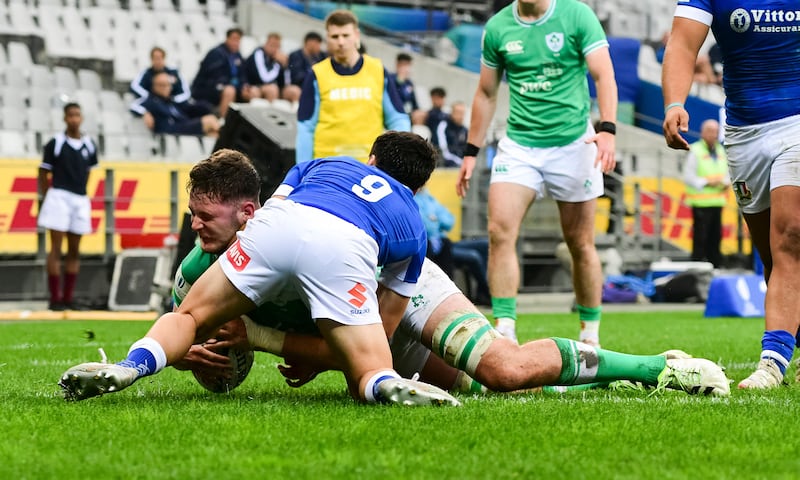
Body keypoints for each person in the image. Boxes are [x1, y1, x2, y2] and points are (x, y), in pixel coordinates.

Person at [160, 149, 729, 400]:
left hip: (398, 291)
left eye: (205, 216)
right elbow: (210, 360)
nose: (195, 227)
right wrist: (198, 356)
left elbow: (372, 344)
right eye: (193, 215)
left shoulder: (292, 232)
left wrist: (277, 341)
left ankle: (659, 367)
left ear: (252, 214)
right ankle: (610, 375)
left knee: (503, 368)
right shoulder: (198, 273)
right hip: (360, 313)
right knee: (486, 390)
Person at [58, 131, 463, 407]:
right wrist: (354, 358)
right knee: (371, 371)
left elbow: (273, 212)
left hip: (282, 221)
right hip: (347, 245)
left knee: (188, 316)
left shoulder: (325, 164)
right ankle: (385, 385)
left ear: (369, 160)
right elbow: (387, 330)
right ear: (419, 187)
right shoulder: (412, 219)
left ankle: (131, 366)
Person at [456, 0, 618, 345]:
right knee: (499, 232)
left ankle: (590, 335)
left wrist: (608, 129)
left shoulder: (577, 15)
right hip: (519, 147)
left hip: (574, 144)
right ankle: (505, 330)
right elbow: (485, 93)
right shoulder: (498, 27)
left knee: (579, 243)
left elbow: (604, 74)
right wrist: (471, 152)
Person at [661, 0, 800, 389]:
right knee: (773, 256)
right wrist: (674, 102)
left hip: (797, 122)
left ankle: (772, 363)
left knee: (791, 236)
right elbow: (683, 45)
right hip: (743, 134)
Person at [295, 10, 410, 164]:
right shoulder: (316, 74)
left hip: (369, 167)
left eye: (345, 35)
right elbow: (305, 129)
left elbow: (398, 120)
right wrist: (303, 170)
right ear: (327, 38)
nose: (341, 42)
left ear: (356, 35)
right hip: (327, 168)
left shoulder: (377, 70)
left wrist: (400, 161)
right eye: (335, 36)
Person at [37, 103, 99, 311]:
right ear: (65, 118)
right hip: (59, 196)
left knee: (74, 250)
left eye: (77, 115)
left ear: (81, 118)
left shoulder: (89, 144)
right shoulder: (56, 143)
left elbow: (90, 169)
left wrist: (81, 189)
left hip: (79, 197)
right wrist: (49, 195)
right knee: (55, 248)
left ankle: (68, 297)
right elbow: (43, 172)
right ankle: (55, 298)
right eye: (70, 115)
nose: (74, 119)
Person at [683, 119, 728, 268]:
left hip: (718, 202)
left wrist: (725, 183)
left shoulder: (721, 150)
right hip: (700, 203)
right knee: (700, 239)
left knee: (716, 239)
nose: (713, 135)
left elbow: (727, 173)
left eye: (716, 131)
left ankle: (716, 268)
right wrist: (708, 182)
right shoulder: (695, 150)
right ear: (702, 132)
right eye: (710, 131)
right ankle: (697, 269)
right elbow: (688, 176)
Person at [190, 27, 253, 119]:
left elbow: (242, 75)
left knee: (251, 91)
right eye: (234, 39)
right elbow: (216, 78)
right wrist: (236, 86)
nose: (236, 43)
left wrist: (244, 85)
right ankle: (224, 122)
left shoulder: (237, 55)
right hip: (207, 89)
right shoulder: (216, 53)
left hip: (229, 86)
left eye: (238, 40)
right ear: (227, 39)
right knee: (229, 91)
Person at [140, 72, 220, 137]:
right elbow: (135, 106)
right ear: (154, 87)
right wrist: (144, 112)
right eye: (162, 85)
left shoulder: (171, 101)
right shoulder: (151, 101)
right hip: (170, 130)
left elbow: (188, 108)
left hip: (182, 125)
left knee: (213, 134)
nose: (166, 88)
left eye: (168, 85)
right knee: (210, 120)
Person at [129, 46, 191, 116]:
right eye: (155, 58)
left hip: (174, 105)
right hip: (155, 105)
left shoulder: (174, 72)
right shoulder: (146, 73)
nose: (158, 61)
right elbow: (134, 88)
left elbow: (185, 92)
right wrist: (150, 97)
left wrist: (173, 99)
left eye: (160, 58)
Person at [244, 32, 299, 103]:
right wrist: (277, 64)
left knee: (295, 91)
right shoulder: (259, 54)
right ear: (266, 44)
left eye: (277, 46)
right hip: (255, 86)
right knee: (272, 89)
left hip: (275, 88)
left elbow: (287, 83)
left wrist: (285, 66)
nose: (274, 48)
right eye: (272, 45)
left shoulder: (278, 57)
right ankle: (270, 114)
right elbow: (265, 78)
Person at [435, 101, 468, 167]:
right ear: (452, 113)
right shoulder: (443, 126)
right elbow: (443, 152)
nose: (460, 116)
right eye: (458, 113)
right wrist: (460, 162)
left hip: (461, 163)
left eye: (462, 113)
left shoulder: (465, 130)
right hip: (446, 163)